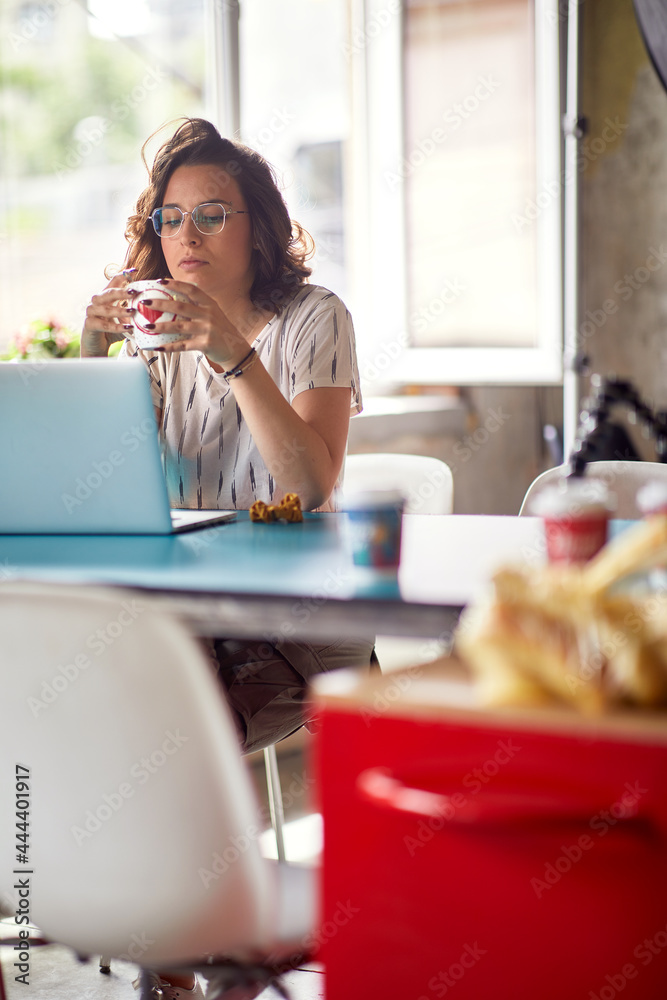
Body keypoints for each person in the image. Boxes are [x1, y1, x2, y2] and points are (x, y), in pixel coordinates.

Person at [81, 117, 376, 999]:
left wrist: (232, 354)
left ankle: (201, 953)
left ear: (261, 229)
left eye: (212, 215)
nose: (185, 238)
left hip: (296, 624)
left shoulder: (314, 320)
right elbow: (103, 490)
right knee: (94, 702)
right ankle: (179, 955)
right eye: (169, 220)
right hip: (182, 619)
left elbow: (309, 483)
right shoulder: (150, 332)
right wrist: (95, 355)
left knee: (159, 724)